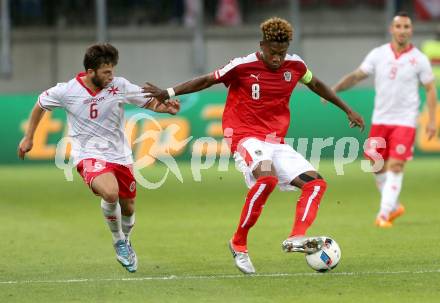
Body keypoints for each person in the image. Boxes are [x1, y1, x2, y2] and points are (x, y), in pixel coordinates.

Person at [143, 17, 364, 274]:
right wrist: (168, 93)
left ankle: (296, 237)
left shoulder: (296, 65)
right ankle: (238, 242)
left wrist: (346, 109)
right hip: (244, 136)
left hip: (275, 141)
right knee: (267, 179)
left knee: (316, 184)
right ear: (262, 45)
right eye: (272, 53)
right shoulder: (242, 65)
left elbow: (315, 84)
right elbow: (206, 80)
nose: (277, 59)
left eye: (282, 53)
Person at [18, 43, 180, 273]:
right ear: (90, 71)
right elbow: (40, 105)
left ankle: (127, 240)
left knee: (129, 206)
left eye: (112, 70)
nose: (111, 75)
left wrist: (167, 109)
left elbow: (148, 102)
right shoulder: (67, 91)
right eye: (106, 71)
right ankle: (118, 242)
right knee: (110, 192)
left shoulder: (119, 85)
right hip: (88, 153)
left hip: (120, 155)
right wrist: (28, 137)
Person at [332, 12, 437, 228]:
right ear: (392, 29)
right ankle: (394, 205)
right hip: (381, 119)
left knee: (396, 165)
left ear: (411, 30)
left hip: (405, 121)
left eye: (406, 26)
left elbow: (430, 89)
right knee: (376, 163)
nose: (402, 30)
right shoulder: (378, 54)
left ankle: (383, 214)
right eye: (398, 26)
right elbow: (357, 75)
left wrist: (433, 121)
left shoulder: (419, 59)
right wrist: (334, 90)